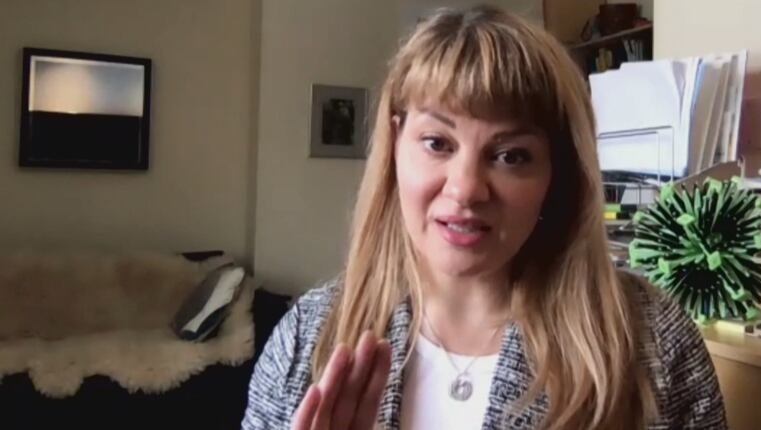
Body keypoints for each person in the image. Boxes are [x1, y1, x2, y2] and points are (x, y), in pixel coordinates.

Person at [241, 5, 727, 430]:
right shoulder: (307, 338)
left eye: (511, 156)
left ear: (557, 174)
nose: (466, 188)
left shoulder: (652, 340)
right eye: (437, 143)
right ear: (395, 145)